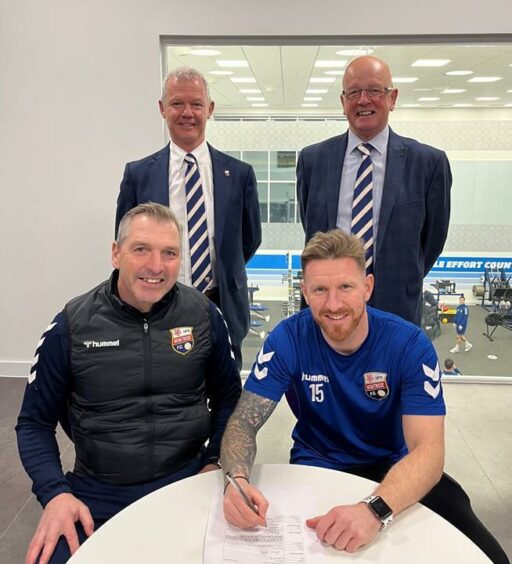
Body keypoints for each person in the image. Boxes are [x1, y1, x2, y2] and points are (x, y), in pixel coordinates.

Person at [220, 229, 507, 563]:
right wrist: (235, 481)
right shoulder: (287, 339)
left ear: (367, 287)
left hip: (395, 466)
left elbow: (428, 450)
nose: (333, 303)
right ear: (305, 292)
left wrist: (374, 510)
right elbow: (242, 424)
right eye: (320, 290)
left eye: (346, 287)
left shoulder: (409, 345)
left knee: (488, 554)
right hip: (319, 465)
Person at [16, 203, 241, 564]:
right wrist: (55, 493)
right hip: (98, 492)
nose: (156, 266)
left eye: (169, 253)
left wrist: (215, 460)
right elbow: (33, 423)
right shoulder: (72, 324)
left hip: (187, 480)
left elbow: (230, 398)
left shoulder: (203, 315)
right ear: (116, 253)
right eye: (141, 249)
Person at [115, 66, 261, 369]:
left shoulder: (239, 174)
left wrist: (221, 269)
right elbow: (127, 241)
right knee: (163, 392)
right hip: (156, 304)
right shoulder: (138, 175)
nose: (187, 113)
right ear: (162, 108)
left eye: (196, 104)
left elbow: (249, 238)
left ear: (209, 109)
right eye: (177, 103)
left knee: (225, 398)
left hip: (221, 305)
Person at [297, 55, 452, 326]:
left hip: (396, 310)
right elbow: (310, 227)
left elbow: (431, 242)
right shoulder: (313, 160)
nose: (364, 100)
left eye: (375, 90)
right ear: (343, 102)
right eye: (354, 92)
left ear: (392, 98)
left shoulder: (428, 164)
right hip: (327, 309)